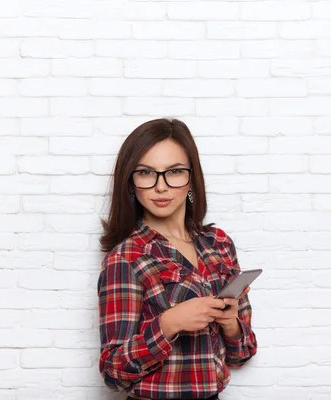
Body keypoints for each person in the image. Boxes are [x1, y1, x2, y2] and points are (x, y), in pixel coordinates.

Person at [97, 118, 258, 400]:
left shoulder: (218, 244)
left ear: (191, 179)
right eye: (146, 172)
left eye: (174, 171)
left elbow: (242, 354)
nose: (162, 187)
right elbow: (113, 371)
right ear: (131, 183)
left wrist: (231, 323)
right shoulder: (126, 258)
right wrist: (168, 324)